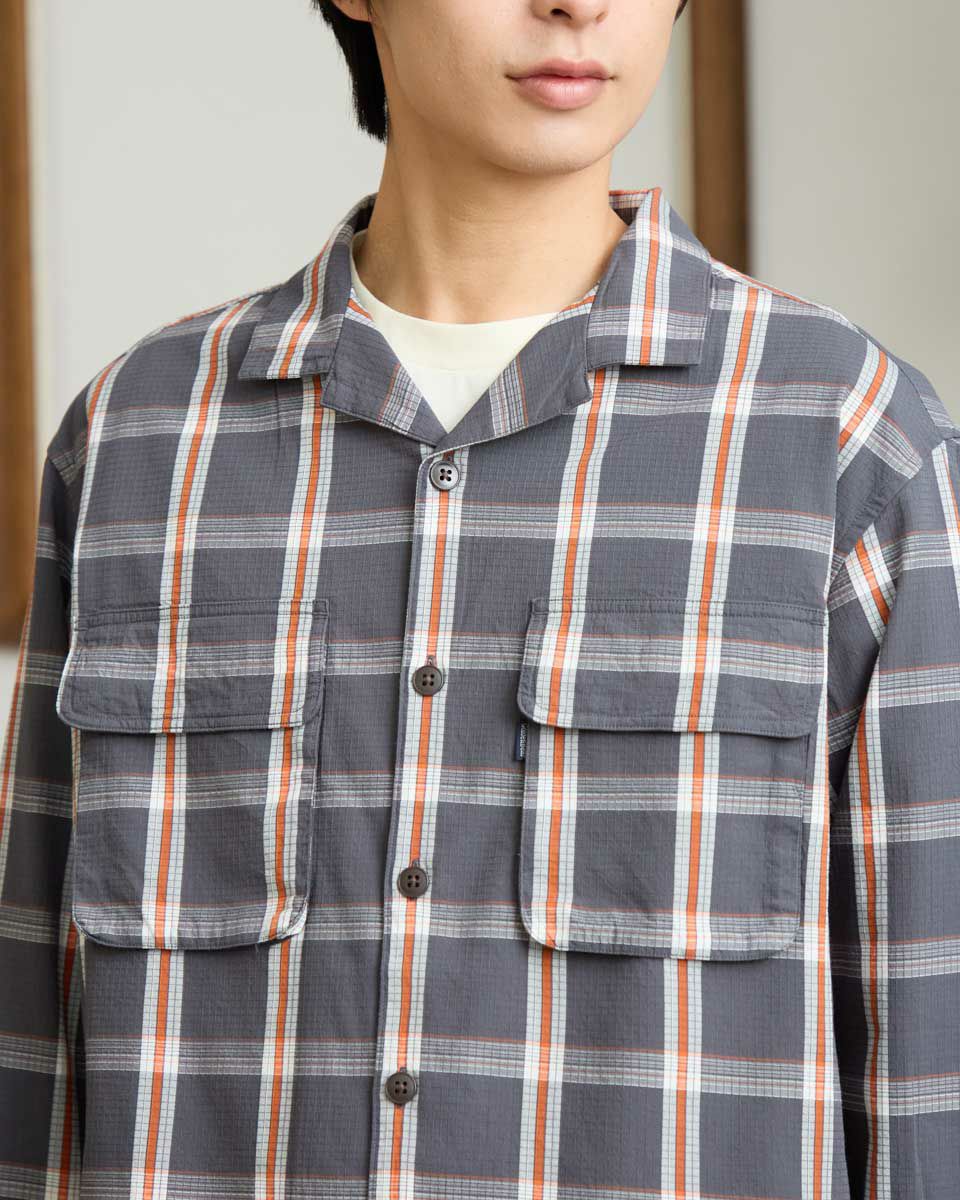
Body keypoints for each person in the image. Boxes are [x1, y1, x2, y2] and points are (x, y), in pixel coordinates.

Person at [1, 1, 957, 1197]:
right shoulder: (136, 441)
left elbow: (928, 1052)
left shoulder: (851, 440)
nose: (578, 4)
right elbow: (34, 1032)